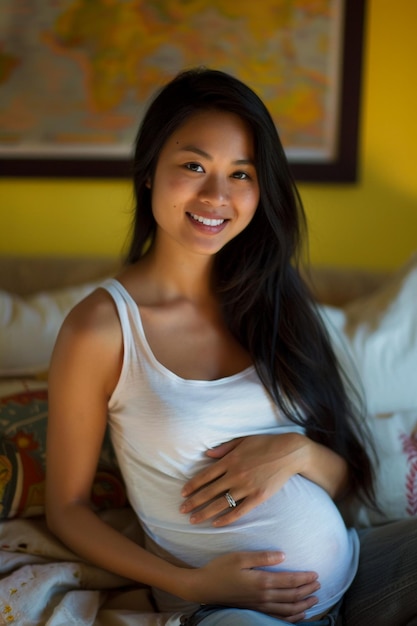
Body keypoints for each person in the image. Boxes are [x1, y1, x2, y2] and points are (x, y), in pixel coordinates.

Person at [46, 68, 417, 626]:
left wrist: (296, 452)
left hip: (355, 579)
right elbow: (66, 510)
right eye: (194, 165)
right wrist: (189, 582)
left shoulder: (276, 301)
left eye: (240, 173)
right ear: (148, 172)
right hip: (220, 606)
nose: (216, 196)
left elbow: (343, 478)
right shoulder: (100, 328)